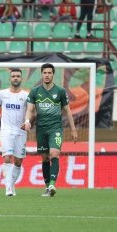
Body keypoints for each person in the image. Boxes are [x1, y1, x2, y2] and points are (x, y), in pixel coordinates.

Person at [23, 63, 78, 197]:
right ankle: (48, 187)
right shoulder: (35, 91)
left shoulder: (60, 91)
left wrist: (73, 129)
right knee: (45, 158)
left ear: (53, 75)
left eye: (49, 73)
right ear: (41, 74)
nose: (47, 75)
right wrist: (27, 122)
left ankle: (53, 183)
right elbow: (30, 109)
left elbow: (68, 111)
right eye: (45, 73)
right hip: (41, 129)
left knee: (54, 153)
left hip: (55, 128)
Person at [0, 68, 29, 196]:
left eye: (18, 76)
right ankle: (8, 188)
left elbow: (32, 111)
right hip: (6, 130)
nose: (15, 78)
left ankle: (11, 184)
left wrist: (28, 121)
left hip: (21, 131)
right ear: (10, 78)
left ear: (21, 78)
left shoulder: (26, 96)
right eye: (13, 76)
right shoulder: (2, 93)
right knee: (7, 157)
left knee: (19, 161)